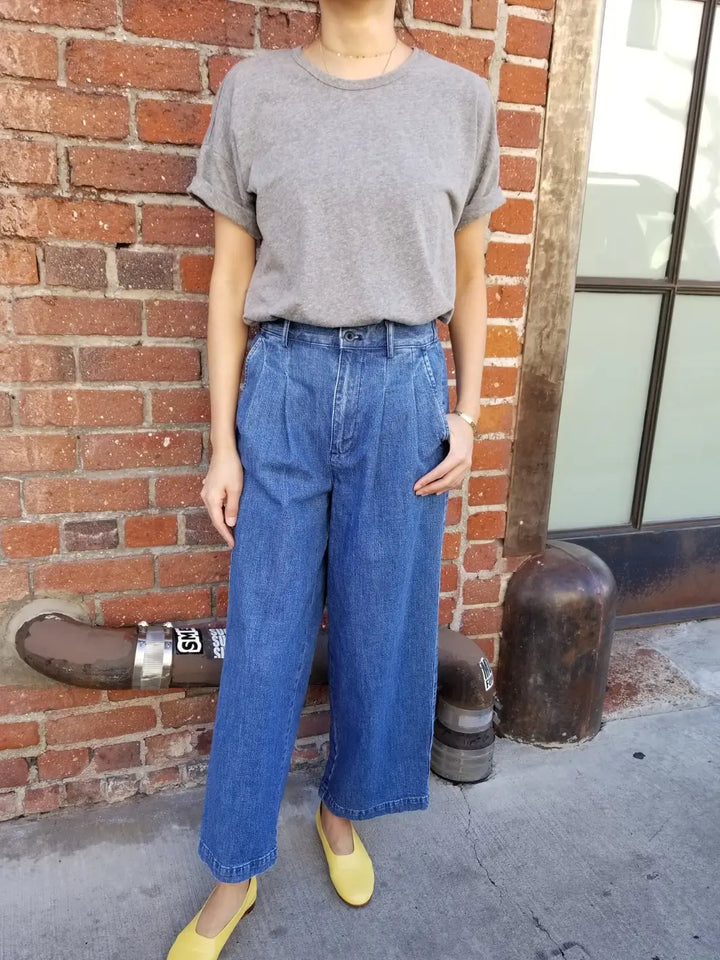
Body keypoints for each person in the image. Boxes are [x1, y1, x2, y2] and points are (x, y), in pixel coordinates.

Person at [166, 2, 505, 956]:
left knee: (380, 626)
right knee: (266, 634)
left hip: (406, 388)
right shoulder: (255, 93)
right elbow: (229, 281)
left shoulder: (460, 100)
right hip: (285, 385)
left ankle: (343, 808)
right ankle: (235, 869)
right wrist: (222, 443)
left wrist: (470, 414)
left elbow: (471, 277)